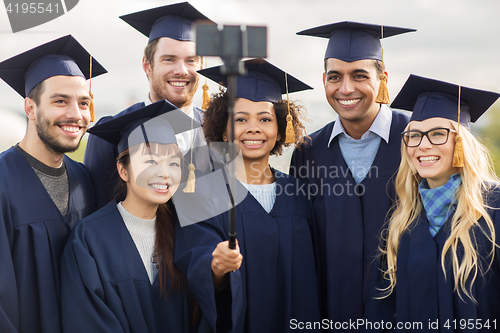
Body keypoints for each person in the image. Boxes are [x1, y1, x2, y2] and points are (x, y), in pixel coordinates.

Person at [174, 59, 321, 332]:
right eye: (240, 119)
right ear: (222, 128)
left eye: (265, 119)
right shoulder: (200, 193)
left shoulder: (300, 194)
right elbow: (196, 264)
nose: (253, 128)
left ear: (280, 131)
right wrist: (216, 266)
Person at [289, 22, 415, 329]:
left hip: (407, 312)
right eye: (335, 77)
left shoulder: (415, 140)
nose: (346, 89)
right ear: (323, 81)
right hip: (331, 314)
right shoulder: (308, 151)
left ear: (383, 78)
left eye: (360, 75)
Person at [60, 100, 212, 333]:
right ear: (123, 170)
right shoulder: (89, 239)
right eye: (150, 161)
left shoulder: (186, 233)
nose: (164, 173)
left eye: (173, 163)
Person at [363, 74, 500, 331]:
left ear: (461, 142)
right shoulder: (401, 222)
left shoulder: (494, 208)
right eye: (414, 136)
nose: (423, 145)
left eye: (438, 134)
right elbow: (380, 314)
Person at [0, 35, 107, 333]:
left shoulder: (84, 179)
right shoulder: (2, 183)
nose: (75, 114)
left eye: (83, 103)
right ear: (30, 108)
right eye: (60, 101)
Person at [84, 1, 221, 209]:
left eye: (191, 61)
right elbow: (100, 216)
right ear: (148, 65)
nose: (181, 70)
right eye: (169, 59)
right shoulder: (112, 134)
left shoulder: (219, 131)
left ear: (201, 66)